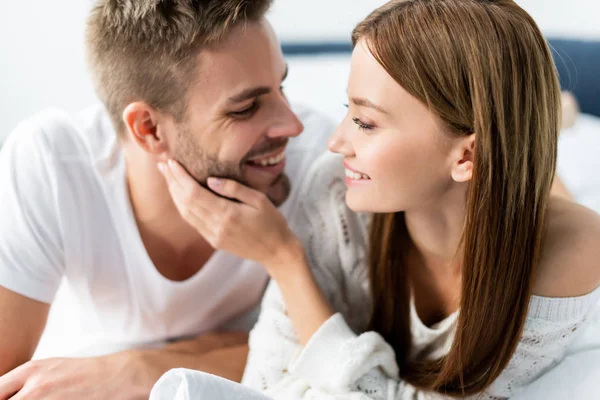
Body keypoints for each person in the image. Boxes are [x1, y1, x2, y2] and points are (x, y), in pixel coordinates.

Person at [150, 0, 600, 398]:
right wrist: (282, 257)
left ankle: (552, 123)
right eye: (347, 110)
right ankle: (550, 118)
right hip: (486, 164)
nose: (335, 142)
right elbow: (268, 386)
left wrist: (284, 259)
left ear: (468, 153)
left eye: (365, 121)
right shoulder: (334, 191)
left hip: (507, 188)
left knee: (538, 188)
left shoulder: (573, 248)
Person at [0, 0, 333, 398]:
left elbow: (336, 357)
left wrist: (138, 367)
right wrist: (222, 350)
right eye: (246, 108)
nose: (291, 124)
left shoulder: (318, 159)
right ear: (149, 129)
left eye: (282, 86)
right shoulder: (53, 162)